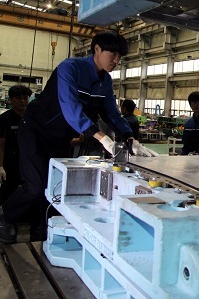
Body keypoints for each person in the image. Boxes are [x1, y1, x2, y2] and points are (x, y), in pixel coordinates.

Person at [0, 30, 158, 244]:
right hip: (35, 131)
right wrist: (101, 137)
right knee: (35, 186)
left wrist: (130, 137)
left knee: (56, 185)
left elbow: (112, 113)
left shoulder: (105, 82)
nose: (117, 60)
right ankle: (5, 215)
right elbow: (70, 108)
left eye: (120, 57)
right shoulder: (70, 68)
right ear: (97, 49)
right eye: (113, 54)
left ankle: (42, 226)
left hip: (60, 137)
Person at [0, 85, 32, 204]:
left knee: (29, 191)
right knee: (7, 191)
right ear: (11, 100)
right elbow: (1, 145)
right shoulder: (4, 119)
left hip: (29, 162)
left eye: (25, 97)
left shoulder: (33, 117)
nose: (23, 101)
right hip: (10, 163)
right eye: (18, 98)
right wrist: (0, 166)